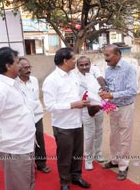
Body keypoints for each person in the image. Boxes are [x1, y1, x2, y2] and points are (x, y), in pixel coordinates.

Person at [0, 47, 36, 190]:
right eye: (17, 62)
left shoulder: (13, 84)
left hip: (25, 145)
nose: (21, 65)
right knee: (19, 186)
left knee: (28, 183)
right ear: (8, 65)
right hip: (14, 149)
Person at [42, 48, 91, 190]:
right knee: (65, 156)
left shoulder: (74, 75)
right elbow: (50, 106)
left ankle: (76, 177)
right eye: (73, 59)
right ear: (65, 61)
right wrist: (72, 105)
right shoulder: (51, 80)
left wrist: (86, 99)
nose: (75, 61)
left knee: (77, 154)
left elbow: (78, 93)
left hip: (77, 122)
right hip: (63, 126)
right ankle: (64, 183)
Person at [99, 44, 137, 181]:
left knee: (125, 137)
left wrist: (111, 95)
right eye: (104, 55)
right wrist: (104, 91)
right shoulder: (108, 69)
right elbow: (109, 87)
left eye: (108, 55)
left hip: (126, 107)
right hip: (112, 107)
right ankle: (115, 160)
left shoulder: (129, 69)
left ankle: (123, 165)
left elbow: (132, 91)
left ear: (118, 55)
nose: (105, 59)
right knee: (113, 136)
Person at [17, 57, 51, 174]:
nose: (28, 70)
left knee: (40, 138)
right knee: (26, 142)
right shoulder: (15, 83)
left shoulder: (35, 80)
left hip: (36, 116)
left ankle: (41, 163)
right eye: (25, 68)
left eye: (29, 67)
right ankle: (28, 165)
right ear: (18, 69)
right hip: (23, 118)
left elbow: (35, 99)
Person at [77, 56, 105, 171]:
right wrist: (89, 107)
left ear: (90, 64)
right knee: (89, 134)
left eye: (86, 64)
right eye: (81, 65)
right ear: (77, 66)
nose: (84, 67)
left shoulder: (94, 70)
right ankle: (88, 158)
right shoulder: (75, 77)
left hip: (99, 106)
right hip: (85, 108)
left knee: (99, 130)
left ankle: (98, 153)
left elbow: (101, 81)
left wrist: (104, 89)